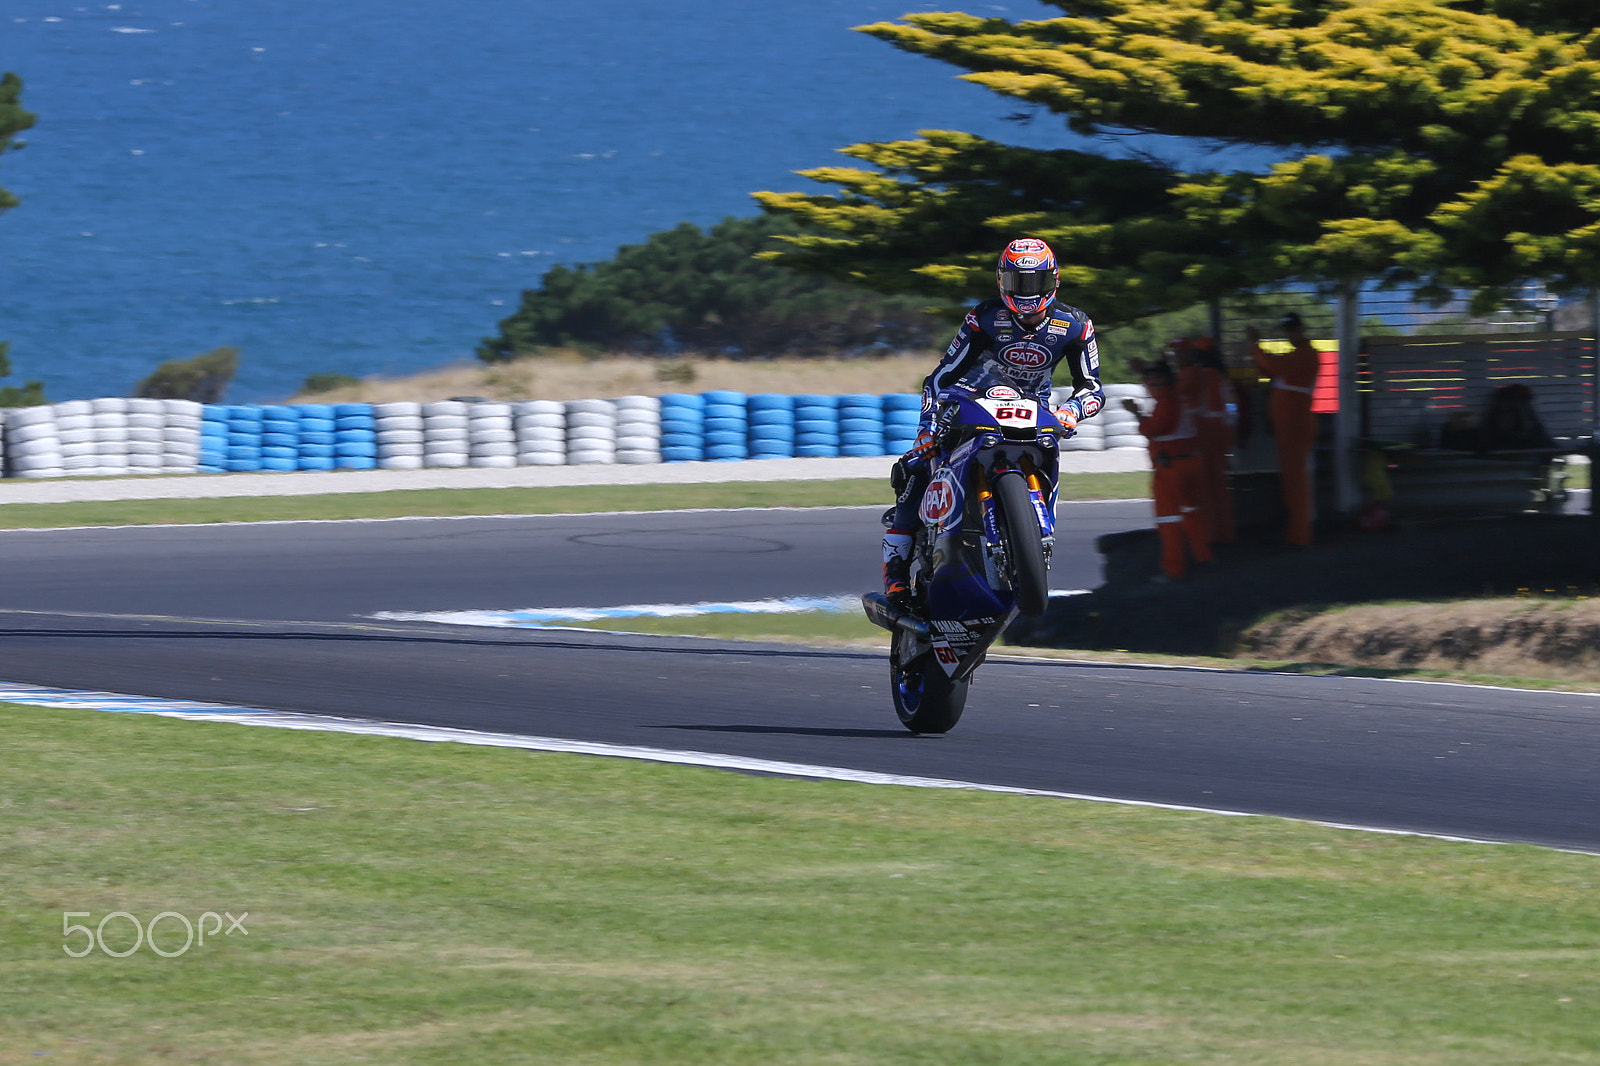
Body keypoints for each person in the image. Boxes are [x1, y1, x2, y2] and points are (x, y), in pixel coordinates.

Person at [881, 237, 1104, 604]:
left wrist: (1072, 410)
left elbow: (1093, 388)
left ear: (1054, 282)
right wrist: (925, 428)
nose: (1028, 293)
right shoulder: (983, 317)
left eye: (1035, 283)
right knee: (916, 469)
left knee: (1049, 448)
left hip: (1032, 409)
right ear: (1002, 282)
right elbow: (940, 378)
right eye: (1019, 283)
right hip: (970, 403)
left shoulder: (1076, 325)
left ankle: (1030, 531)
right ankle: (896, 579)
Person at [1127, 360, 1213, 581]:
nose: (1152, 385)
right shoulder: (1180, 396)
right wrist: (1145, 373)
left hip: (1172, 467)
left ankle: (1174, 568)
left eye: (1156, 381)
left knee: (1168, 519)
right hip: (1191, 462)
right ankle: (1204, 557)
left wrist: (1137, 413)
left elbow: (1153, 429)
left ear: (1164, 382)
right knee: (1192, 513)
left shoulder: (1167, 403)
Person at [1246, 312, 1319, 545]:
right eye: (1286, 330)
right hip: (1289, 424)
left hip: (1295, 424)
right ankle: (1296, 531)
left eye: (1292, 329)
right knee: (1292, 478)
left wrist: (1256, 346)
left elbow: (1276, 367)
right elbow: (1271, 370)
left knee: (1296, 479)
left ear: (1301, 329)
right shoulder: (1297, 355)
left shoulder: (1307, 354)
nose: (1289, 334)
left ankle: (1300, 534)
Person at [1181, 337, 1236, 544]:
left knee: (1206, 487)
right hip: (1222, 430)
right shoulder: (1221, 376)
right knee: (1220, 486)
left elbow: (1184, 394)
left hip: (1207, 432)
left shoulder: (1203, 375)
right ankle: (1225, 533)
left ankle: (1211, 535)